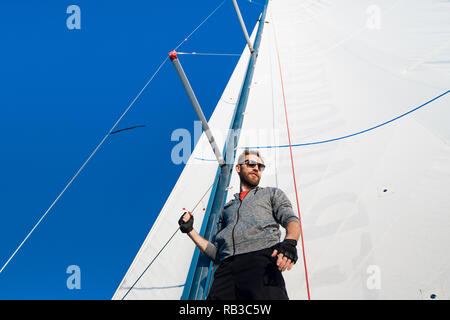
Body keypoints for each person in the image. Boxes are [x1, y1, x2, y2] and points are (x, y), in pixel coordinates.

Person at [178, 149, 301, 300]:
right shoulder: (227, 209)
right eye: (251, 164)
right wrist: (190, 230)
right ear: (238, 168)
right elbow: (216, 253)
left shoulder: (271, 193)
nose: (256, 168)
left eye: (260, 167)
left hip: (261, 263)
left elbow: (290, 219)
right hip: (226, 271)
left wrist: (290, 243)